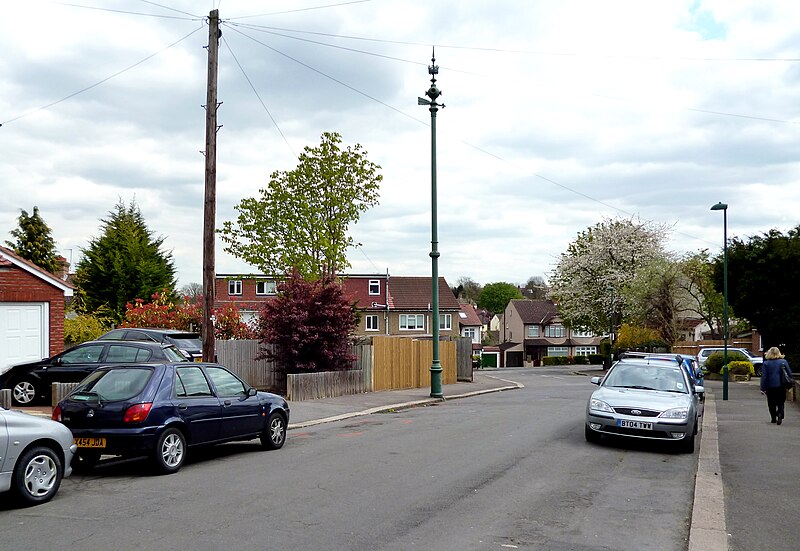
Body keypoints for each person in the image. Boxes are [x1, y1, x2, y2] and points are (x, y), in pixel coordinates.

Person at [760, 346, 793, 425]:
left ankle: (773, 418)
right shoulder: (783, 362)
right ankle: (780, 414)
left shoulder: (766, 363)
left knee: (771, 403)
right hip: (781, 386)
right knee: (780, 402)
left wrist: (763, 388)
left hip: (770, 387)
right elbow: (789, 374)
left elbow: (764, 377)